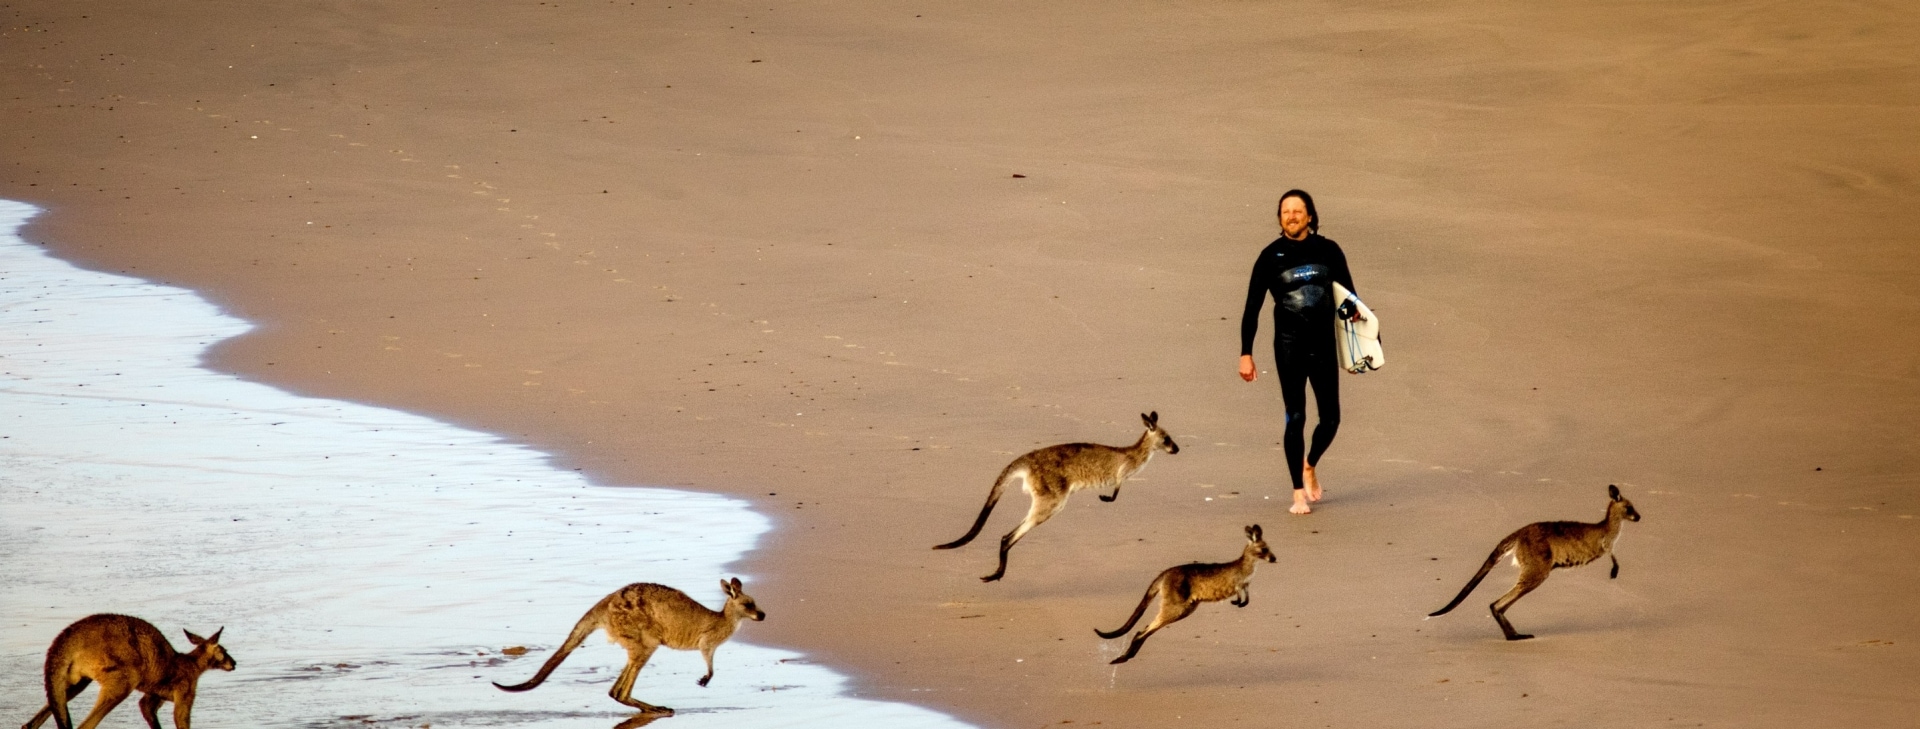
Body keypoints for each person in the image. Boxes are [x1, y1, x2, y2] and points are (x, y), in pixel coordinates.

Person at [1238, 189, 1360, 515]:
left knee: (1331, 419)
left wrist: (1357, 349)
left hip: (1323, 345)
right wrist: (1246, 353)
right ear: (1280, 218)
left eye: (1298, 210)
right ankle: (1297, 493)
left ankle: (1310, 464)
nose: (1291, 216)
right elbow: (1252, 309)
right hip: (1289, 346)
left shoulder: (1329, 251)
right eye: (1286, 211)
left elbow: (1350, 301)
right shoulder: (1270, 257)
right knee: (1296, 416)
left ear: (1309, 216)